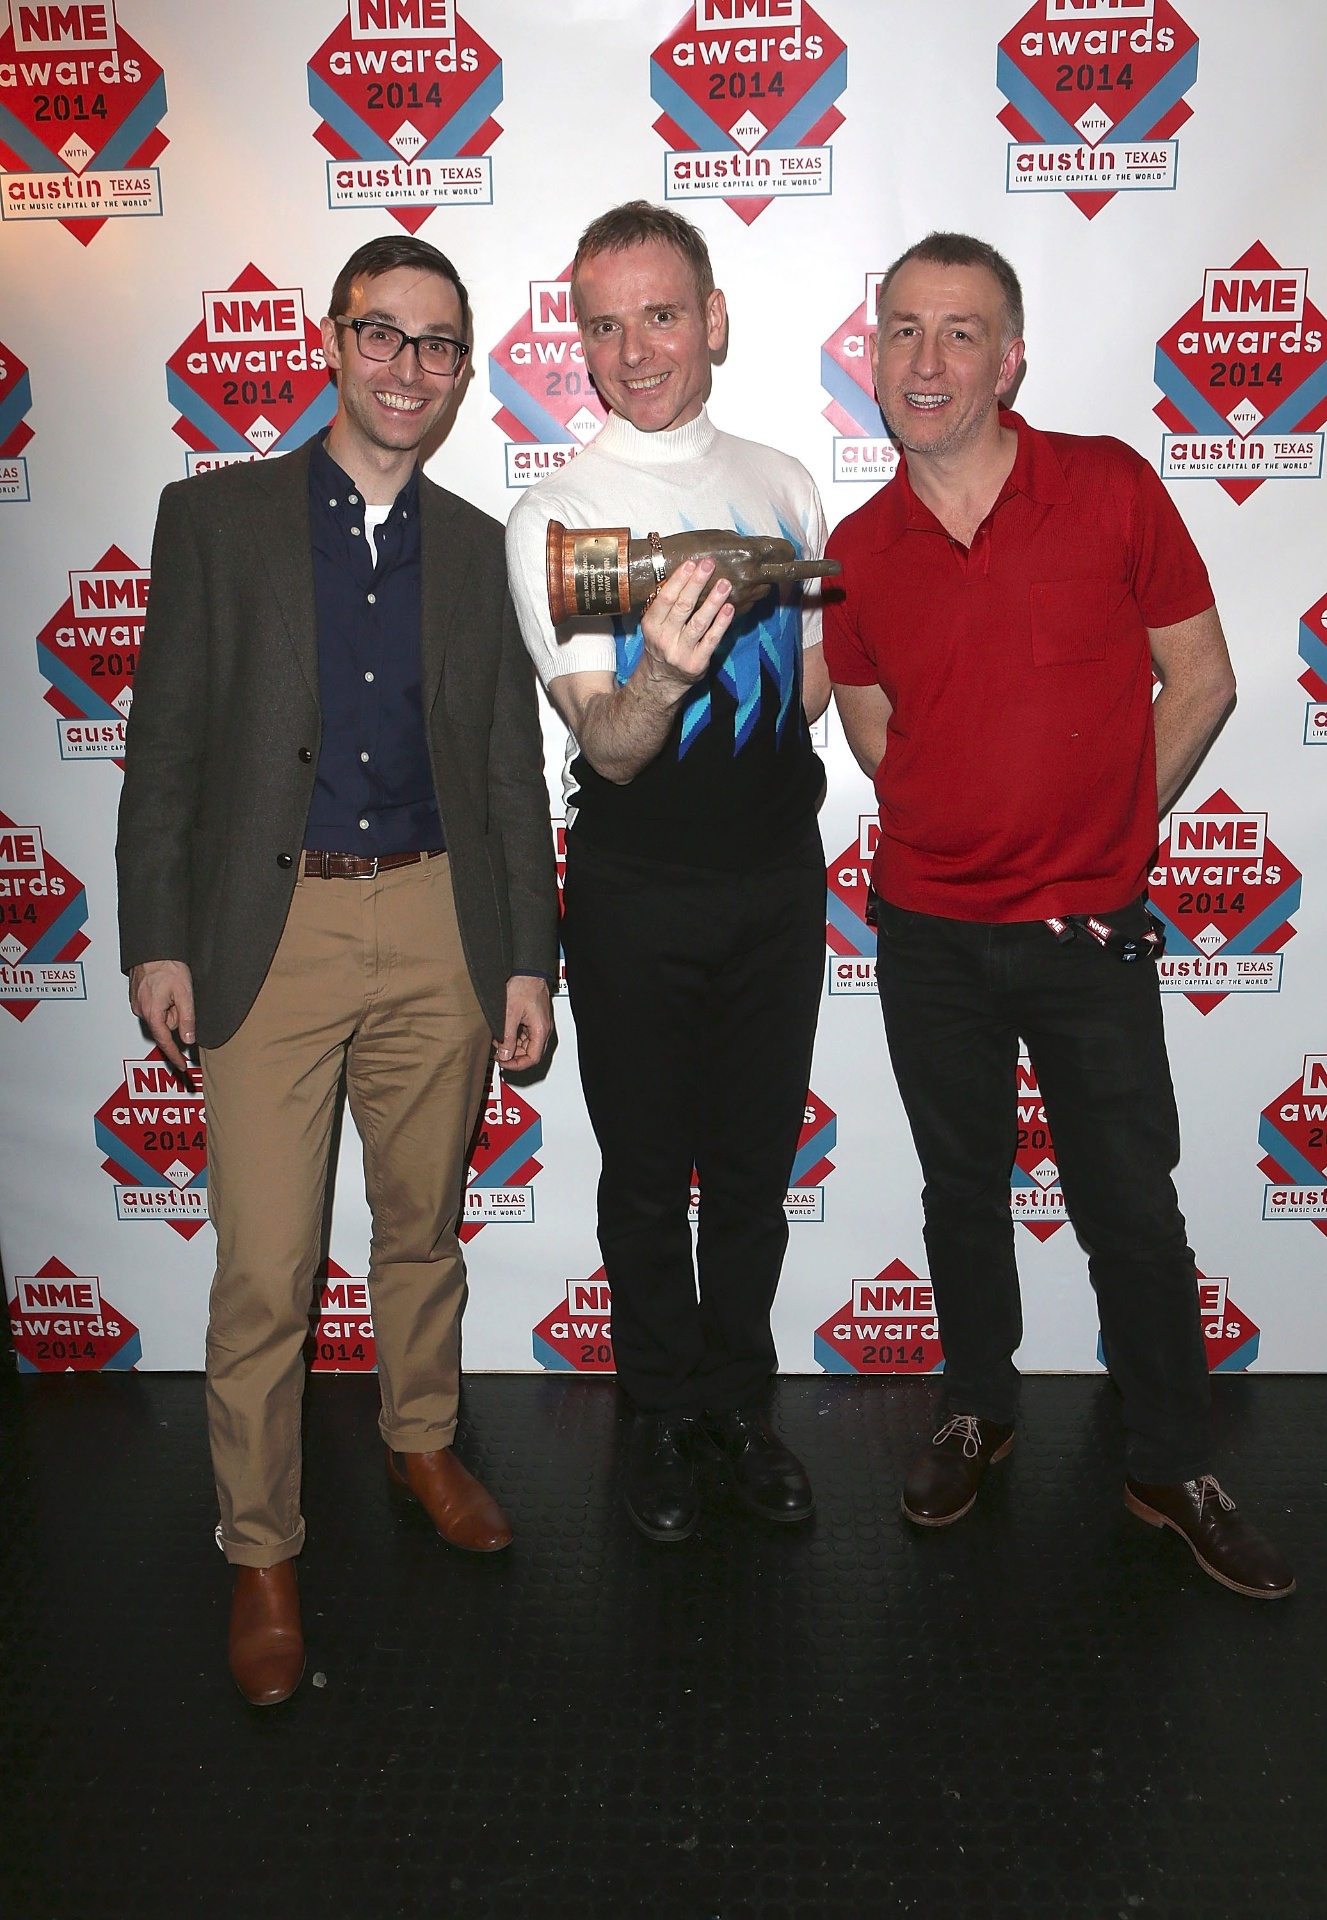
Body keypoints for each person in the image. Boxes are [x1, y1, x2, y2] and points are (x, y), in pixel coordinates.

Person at [117, 234, 560, 1704]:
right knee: (262, 1267)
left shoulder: (484, 544)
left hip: (439, 923)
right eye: (383, 335)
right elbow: (165, 750)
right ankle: (261, 1541)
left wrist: (522, 961)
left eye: (438, 346)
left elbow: (508, 772)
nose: (407, 368)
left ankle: (421, 1439)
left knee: (421, 1225)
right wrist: (157, 937)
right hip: (271, 933)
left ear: (461, 368)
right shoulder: (215, 521)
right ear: (332, 338)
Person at [823, 231, 1294, 1599]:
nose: (928, 359)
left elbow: (1199, 681)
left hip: (1087, 930)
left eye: (960, 332)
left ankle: (1168, 1457)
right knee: (961, 1195)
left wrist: (1104, 834)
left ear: (1010, 356)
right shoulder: (862, 545)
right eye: (903, 330)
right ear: (874, 356)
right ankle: (981, 1406)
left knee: (1130, 1209)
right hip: (926, 934)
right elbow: (869, 728)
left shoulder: (1108, 486)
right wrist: (962, 803)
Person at [505, 202, 829, 1543]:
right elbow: (612, 748)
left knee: (752, 1170)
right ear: (578, 343)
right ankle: (658, 1421)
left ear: (714, 320)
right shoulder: (568, 511)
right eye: (604, 322)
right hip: (638, 890)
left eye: (662, 312)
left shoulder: (786, 483)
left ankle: (737, 1412)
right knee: (646, 1175)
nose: (635, 348)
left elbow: (808, 696)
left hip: (778, 880)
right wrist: (670, 670)